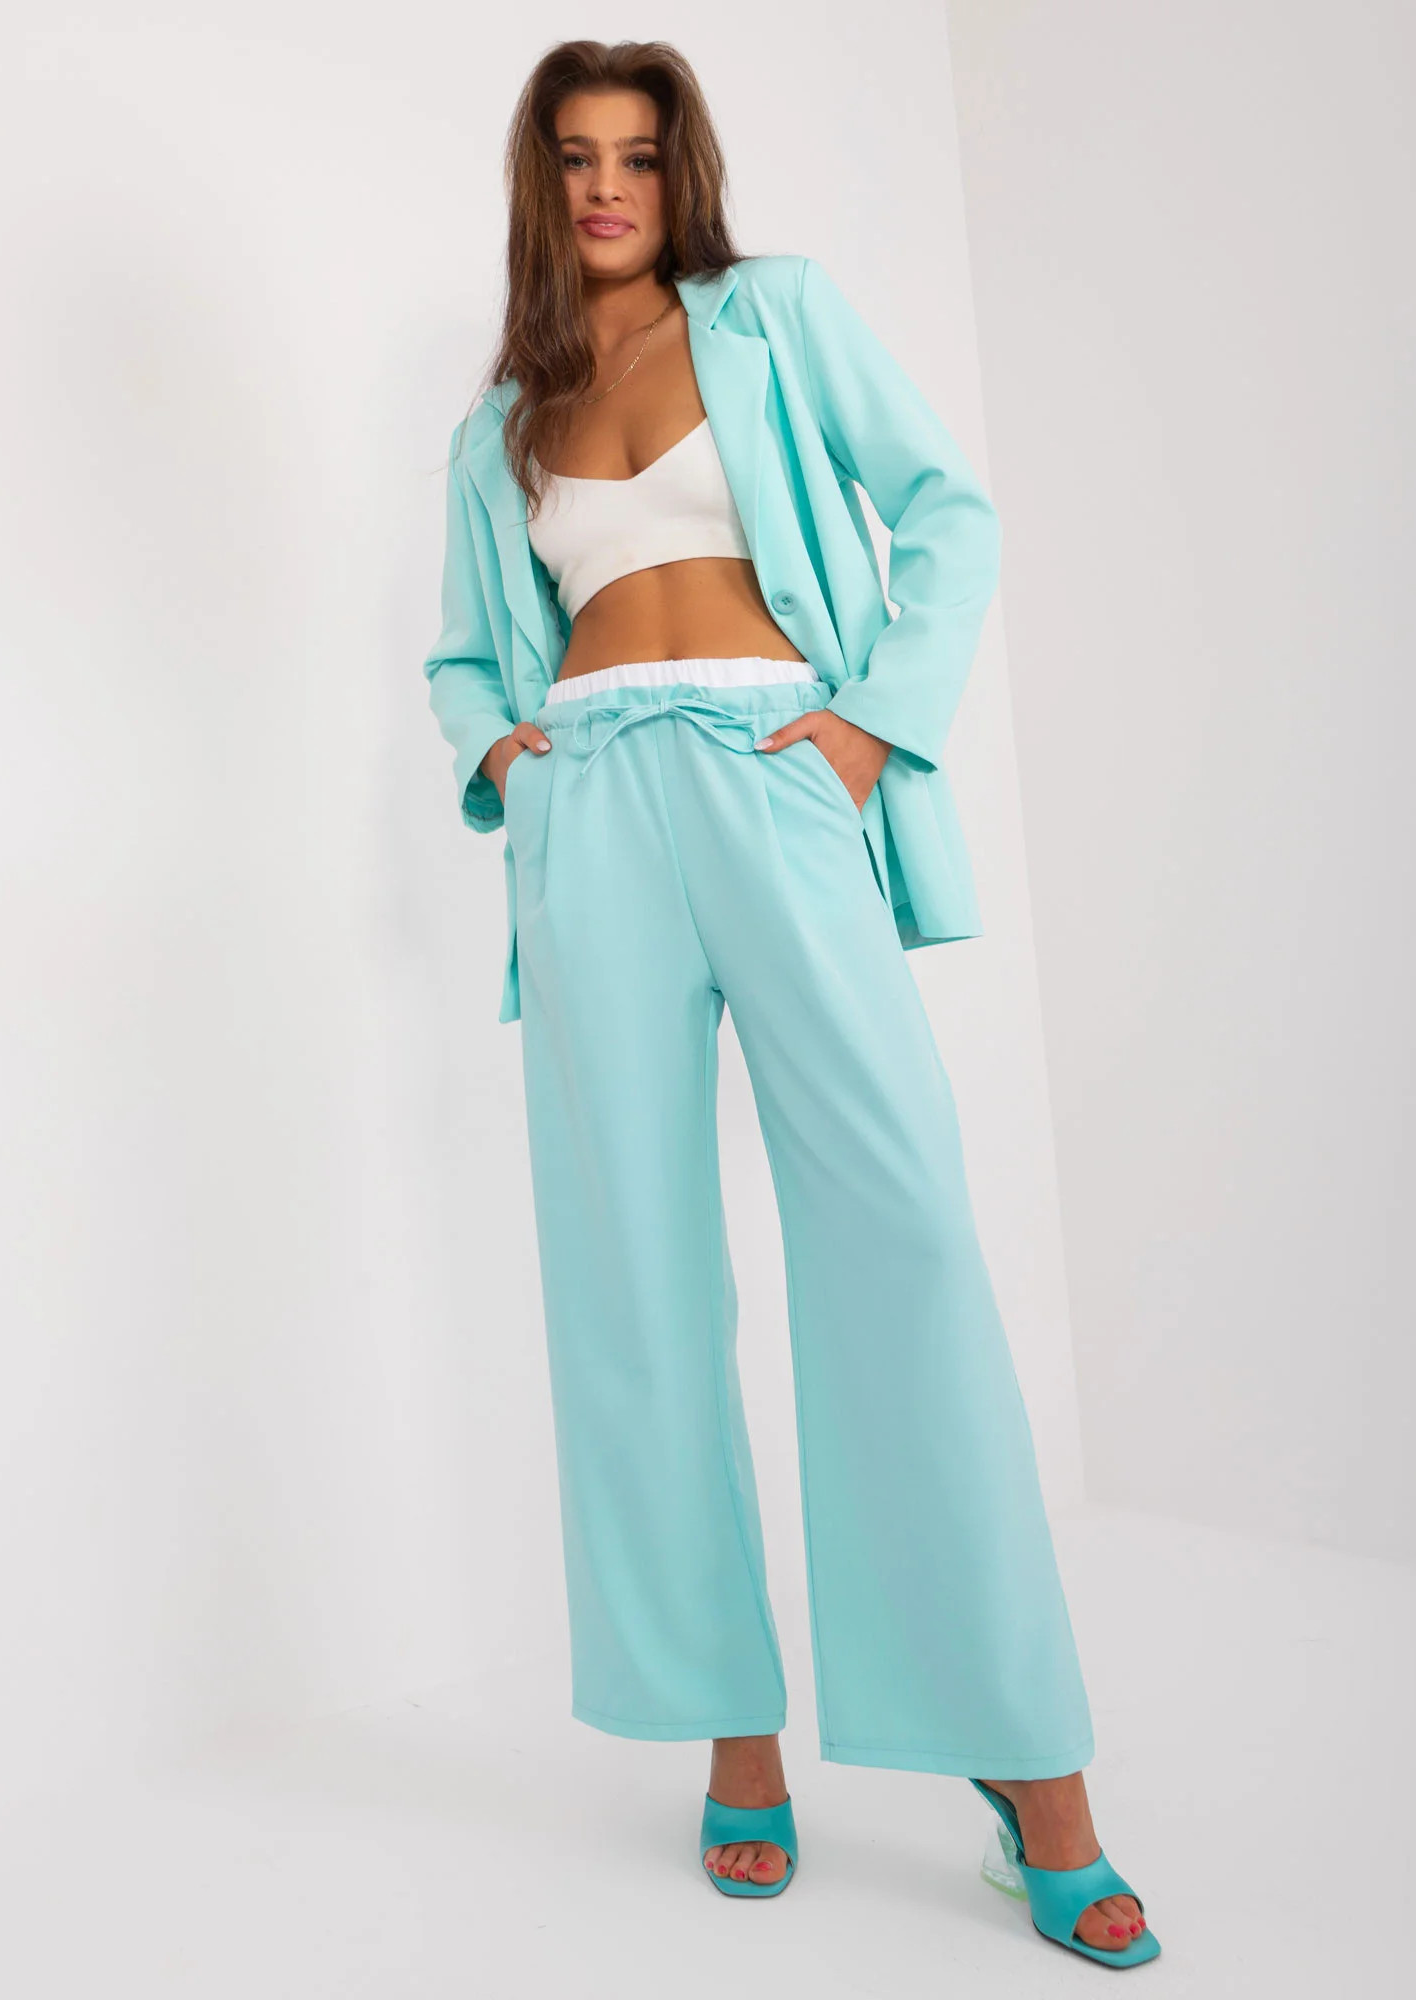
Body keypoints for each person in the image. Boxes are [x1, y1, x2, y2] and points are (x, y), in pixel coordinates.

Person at [422, 37, 1158, 1967]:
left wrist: (867, 732)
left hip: (777, 771)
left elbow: (949, 511)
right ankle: (732, 1732)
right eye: (575, 156)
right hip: (592, 811)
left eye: (639, 154)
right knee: (636, 1283)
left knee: (902, 1236)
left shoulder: (775, 318)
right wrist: (509, 766)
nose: (607, 185)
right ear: (539, 179)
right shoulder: (502, 418)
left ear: (683, 174)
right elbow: (462, 655)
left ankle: (1032, 1768)